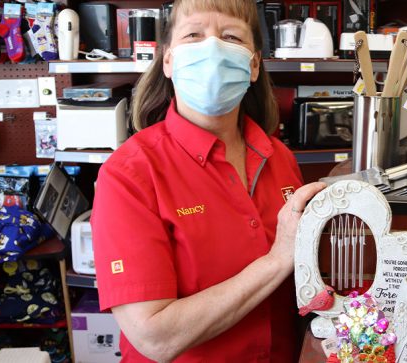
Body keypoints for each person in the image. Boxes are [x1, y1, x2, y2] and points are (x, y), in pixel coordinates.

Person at [91, 0, 326, 361]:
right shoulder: (129, 174)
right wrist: (277, 260)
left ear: (253, 65)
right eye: (194, 35)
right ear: (168, 60)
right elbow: (155, 337)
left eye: (231, 36)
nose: (212, 48)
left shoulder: (278, 157)